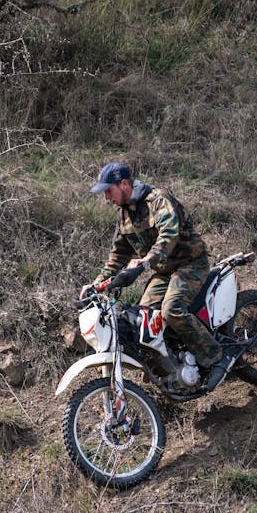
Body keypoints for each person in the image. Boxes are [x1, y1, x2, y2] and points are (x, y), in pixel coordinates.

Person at [82, 161, 244, 391]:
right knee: (144, 321)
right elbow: (118, 254)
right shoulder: (124, 214)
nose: (107, 197)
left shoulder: (158, 199)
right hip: (164, 271)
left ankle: (218, 356)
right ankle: (172, 371)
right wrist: (97, 284)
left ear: (124, 184)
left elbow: (169, 235)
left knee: (172, 310)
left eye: (109, 190)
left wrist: (146, 261)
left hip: (190, 263)